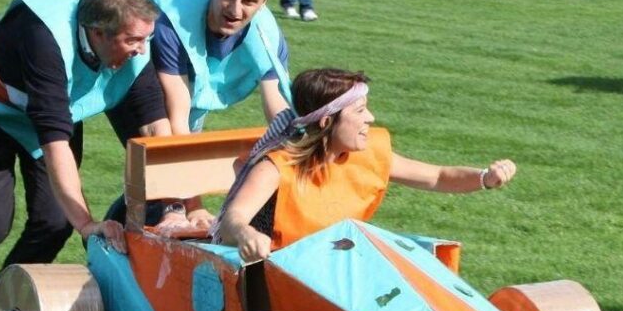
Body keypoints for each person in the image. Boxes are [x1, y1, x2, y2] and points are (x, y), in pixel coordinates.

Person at [216, 68, 516, 262]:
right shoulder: (276, 167)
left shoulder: (367, 153)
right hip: (283, 270)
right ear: (326, 122)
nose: (370, 118)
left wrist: (484, 178)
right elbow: (234, 217)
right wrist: (246, 234)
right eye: (360, 111)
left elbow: (437, 177)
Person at [0, 0, 172, 276]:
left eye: (146, 38)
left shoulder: (131, 39)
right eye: (133, 40)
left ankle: (4, 298)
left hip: (46, 111)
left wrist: (180, 205)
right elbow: (55, 143)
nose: (142, 50)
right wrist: (87, 225)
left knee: (56, 221)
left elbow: (154, 125)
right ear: (98, 33)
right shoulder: (43, 38)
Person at [137, 0, 291, 136]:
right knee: (162, 138)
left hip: (191, 91)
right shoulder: (172, 21)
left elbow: (278, 107)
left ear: (264, 2)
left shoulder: (269, 38)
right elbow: (178, 110)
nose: (235, 11)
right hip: (131, 73)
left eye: (249, 1)